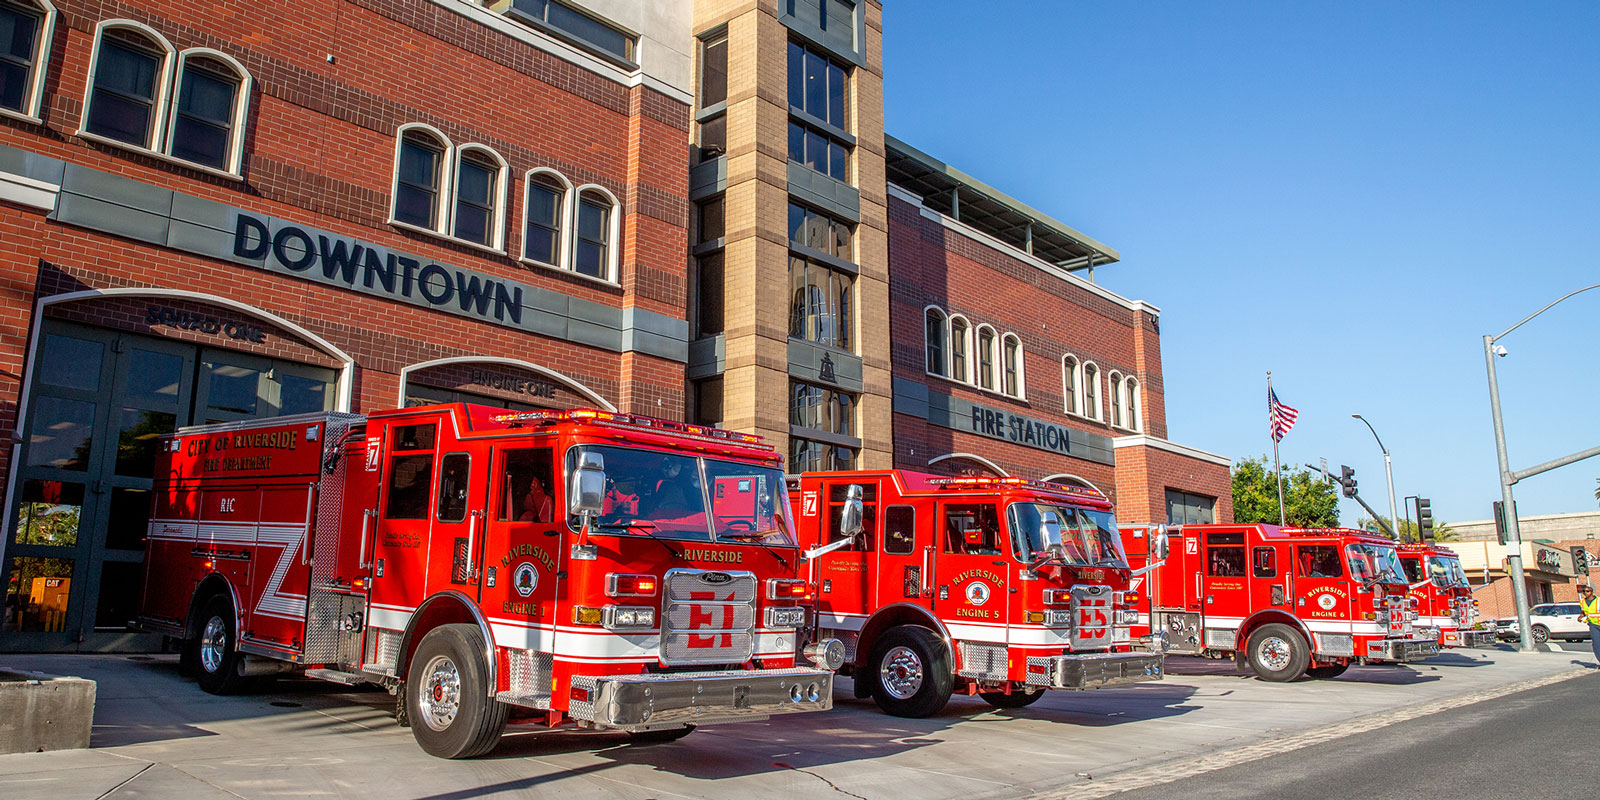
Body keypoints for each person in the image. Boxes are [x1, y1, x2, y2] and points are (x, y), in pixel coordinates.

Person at [1579, 583, 1600, 665]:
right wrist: (1581, 616)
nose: (1585, 593)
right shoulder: (1582, 602)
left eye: (1587, 591)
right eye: (1583, 591)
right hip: (1593, 626)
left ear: (1592, 592)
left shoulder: (1598, 601)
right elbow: (1584, 612)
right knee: (1596, 644)